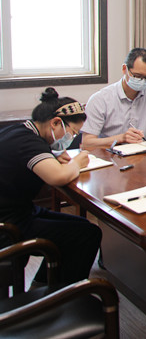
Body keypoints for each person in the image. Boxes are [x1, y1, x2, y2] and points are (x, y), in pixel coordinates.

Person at [0, 88, 101, 284]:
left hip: (17, 211)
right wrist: (77, 162)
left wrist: (52, 155)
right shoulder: (29, 143)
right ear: (55, 123)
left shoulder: (20, 131)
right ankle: (63, 295)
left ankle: (43, 285)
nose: (71, 138)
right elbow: (58, 177)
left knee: (84, 226)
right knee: (87, 235)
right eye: (72, 133)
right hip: (9, 224)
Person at [82, 47, 146, 149]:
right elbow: (87, 143)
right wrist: (121, 138)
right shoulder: (100, 99)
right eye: (137, 76)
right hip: (110, 154)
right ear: (125, 69)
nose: (142, 81)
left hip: (143, 153)